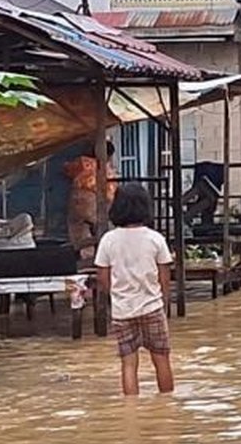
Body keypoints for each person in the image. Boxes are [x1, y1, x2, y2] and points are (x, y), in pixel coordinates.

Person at [94, 183, 175, 395]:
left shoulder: (108, 240)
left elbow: (102, 276)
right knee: (162, 359)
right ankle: (167, 409)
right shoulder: (156, 239)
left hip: (122, 310)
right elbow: (165, 277)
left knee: (128, 365)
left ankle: (131, 411)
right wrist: (163, 300)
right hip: (152, 307)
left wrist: (115, 294)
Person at [65, 141, 117, 259]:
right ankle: (104, 255)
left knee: (79, 230)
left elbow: (67, 169)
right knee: (101, 228)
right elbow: (111, 190)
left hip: (78, 198)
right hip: (98, 200)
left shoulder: (81, 162)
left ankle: (85, 255)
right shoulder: (106, 168)